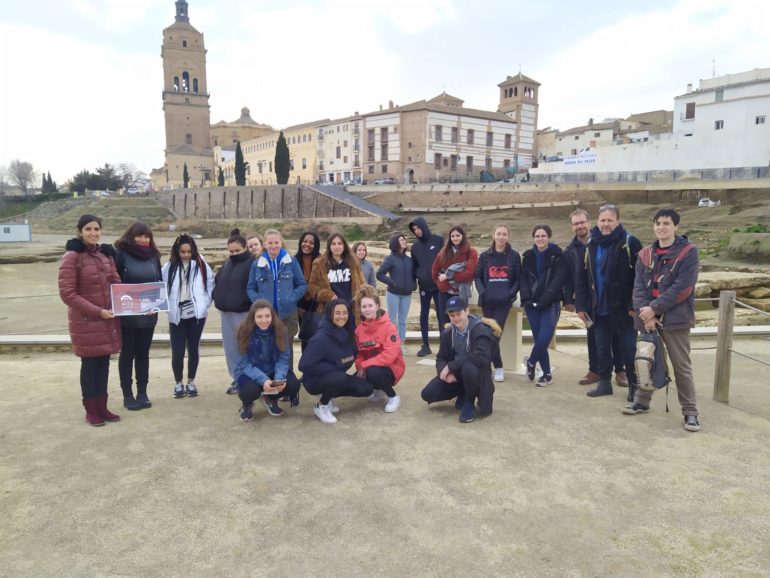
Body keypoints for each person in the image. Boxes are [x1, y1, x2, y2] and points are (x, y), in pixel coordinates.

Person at [625, 208, 701, 432]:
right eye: (658, 223)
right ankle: (642, 401)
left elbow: (683, 288)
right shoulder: (645, 254)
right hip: (648, 320)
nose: (662, 227)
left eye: (666, 223)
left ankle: (690, 412)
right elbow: (638, 287)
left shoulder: (688, 252)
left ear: (676, 226)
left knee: (681, 367)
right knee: (646, 362)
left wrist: (654, 310)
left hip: (676, 320)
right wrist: (645, 314)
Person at [58, 214, 122, 426]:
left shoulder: (106, 256)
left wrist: (126, 302)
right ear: (80, 231)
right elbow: (68, 294)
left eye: (96, 229)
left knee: (103, 363)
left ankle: (102, 407)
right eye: (88, 229)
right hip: (86, 321)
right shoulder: (72, 257)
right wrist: (97, 311)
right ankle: (91, 411)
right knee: (90, 365)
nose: (93, 233)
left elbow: (115, 282)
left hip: (107, 319)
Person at [576, 204, 641, 399]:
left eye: (609, 220)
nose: (605, 224)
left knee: (628, 349)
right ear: (597, 222)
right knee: (602, 347)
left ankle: (633, 385)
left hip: (624, 309)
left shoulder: (630, 243)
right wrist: (581, 305)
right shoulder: (592, 244)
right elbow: (583, 278)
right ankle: (604, 383)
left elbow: (641, 278)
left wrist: (633, 305)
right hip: (599, 308)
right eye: (602, 220)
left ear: (618, 221)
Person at [563, 209, 628, 387]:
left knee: (616, 336)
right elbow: (571, 278)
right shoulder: (570, 250)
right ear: (572, 226)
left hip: (609, 298)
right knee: (592, 336)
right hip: (588, 301)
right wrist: (570, 300)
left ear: (590, 222)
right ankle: (595, 370)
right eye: (576, 223)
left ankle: (620, 371)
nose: (580, 226)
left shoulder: (602, 242)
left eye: (582, 222)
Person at [420, 296, 501, 423]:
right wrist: (445, 372)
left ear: (467, 311)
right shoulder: (448, 333)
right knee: (427, 394)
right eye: (452, 315)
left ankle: (469, 402)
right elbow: (440, 358)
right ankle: (463, 392)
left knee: (469, 368)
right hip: (458, 375)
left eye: (459, 314)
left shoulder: (481, 330)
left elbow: (481, 358)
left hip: (477, 375)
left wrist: (451, 367)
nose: (456, 318)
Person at [299, 299, 374, 424]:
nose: (342, 316)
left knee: (366, 388)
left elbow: (354, 353)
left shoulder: (349, 333)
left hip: (337, 376)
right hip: (314, 380)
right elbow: (304, 365)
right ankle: (321, 405)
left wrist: (361, 367)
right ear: (330, 314)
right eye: (337, 313)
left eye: (345, 313)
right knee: (339, 378)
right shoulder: (320, 338)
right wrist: (334, 368)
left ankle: (330, 394)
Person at [114, 222, 162, 410]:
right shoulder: (120, 254)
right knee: (127, 354)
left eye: (146, 236)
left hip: (148, 314)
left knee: (143, 354)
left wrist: (157, 303)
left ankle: (142, 392)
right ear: (131, 236)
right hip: (127, 314)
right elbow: (114, 282)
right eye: (139, 236)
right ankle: (127, 394)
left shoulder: (154, 257)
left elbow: (159, 282)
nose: (143, 240)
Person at [246, 229, 307, 369]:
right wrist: (258, 302)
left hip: (287, 314)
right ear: (265, 245)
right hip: (265, 317)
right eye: (270, 243)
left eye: (276, 242)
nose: (273, 245)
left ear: (281, 243)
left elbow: (302, 284)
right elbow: (250, 288)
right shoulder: (257, 264)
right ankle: (270, 381)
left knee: (287, 349)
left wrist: (291, 298)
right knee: (267, 348)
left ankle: (288, 381)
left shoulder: (291, 262)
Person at [162, 233, 214, 399]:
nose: (185, 255)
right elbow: (161, 289)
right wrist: (169, 309)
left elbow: (210, 286)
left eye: (188, 251)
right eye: (182, 252)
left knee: (193, 349)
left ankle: (191, 382)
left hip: (196, 315)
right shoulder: (168, 267)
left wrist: (205, 304)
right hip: (176, 315)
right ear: (177, 251)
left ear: (193, 251)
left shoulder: (201, 266)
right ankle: (178, 383)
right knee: (177, 351)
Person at [233, 300, 301, 421]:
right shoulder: (243, 332)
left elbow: (283, 358)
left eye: (267, 316)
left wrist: (279, 378)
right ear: (252, 317)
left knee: (293, 385)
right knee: (249, 392)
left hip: (272, 369)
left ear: (272, 316)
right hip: (250, 373)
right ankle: (247, 404)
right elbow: (243, 363)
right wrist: (263, 380)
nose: (264, 320)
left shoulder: (281, 330)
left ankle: (270, 398)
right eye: (259, 316)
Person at [519, 224, 570, 387]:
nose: (540, 239)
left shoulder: (558, 256)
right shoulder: (527, 256)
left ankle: (531, 362)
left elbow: (558, 280)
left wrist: (545, 300)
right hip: (531, 304)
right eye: (537, 236)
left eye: (543, 236)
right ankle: (547, 374)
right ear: (533, 238)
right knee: (538, 338)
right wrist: (526, 298)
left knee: (543, 339)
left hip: (551, 303)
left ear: (549, 237)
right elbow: (523, 279)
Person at [474, 224, 521, 382]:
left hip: (503, 303)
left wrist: (510, 294)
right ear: (493, 235)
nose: (501, 237)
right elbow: (478, 276)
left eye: (504, 234)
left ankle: (497, 366)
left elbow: (517, 279)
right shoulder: (485, 255)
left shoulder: (514, 256)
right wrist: (483, 292)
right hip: (488, 301)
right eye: (498, 234)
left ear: (508, 236)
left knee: (495, 335)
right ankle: (492, 367)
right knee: (488, 334)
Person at [212, 229, 256, 395]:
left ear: (245, 248)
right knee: (230, 350)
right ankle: (237, 378)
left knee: (243, 348)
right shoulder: (227, 263)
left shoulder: (252, 264)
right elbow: (218, 281)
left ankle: (247, 379)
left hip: (244, 313)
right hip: (225, 313)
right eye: (231, 251)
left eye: (237, 251)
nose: (234, 254)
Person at [354, 287, 404, 413]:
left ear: (377, 306)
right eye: (364, 306)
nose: (367, 309)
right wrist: (359, 367)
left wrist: (364, 366)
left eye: (370, 305)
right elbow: (360, 354)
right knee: (357, 385)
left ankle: (393, 396)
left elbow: (389, 356)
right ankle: (379, 390)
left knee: (373, 372)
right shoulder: (359, 329)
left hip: (392, 368)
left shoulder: (388, 327)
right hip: (371, 368)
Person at [431, 225, 478, 330]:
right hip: (445, 294)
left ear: (463, 236)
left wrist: (447, 277)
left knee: (462, 324)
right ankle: (446, 346)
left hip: (462, 293)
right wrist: (442, 286)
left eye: (458, 235)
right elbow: (434, 274)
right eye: (453, 236)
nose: (455, 238)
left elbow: (470, 273)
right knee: (445, 325)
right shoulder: (443, 253)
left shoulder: (471, 252)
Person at [408, 217, 443, 356]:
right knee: (424, 315)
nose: (417, 231)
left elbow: (445, 260)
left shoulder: (438, 240)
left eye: (418, 228)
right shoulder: (415, 247)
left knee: (441, 315)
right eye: (414, 229)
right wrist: (416, 278)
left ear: (424, 226)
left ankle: (443, 345)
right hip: (424, 286)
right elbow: (414, 266)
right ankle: (426, 345)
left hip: (439, 285)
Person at [308, 232, 365, 314]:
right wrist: (328, 295)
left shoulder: (353, 262)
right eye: (333, 244)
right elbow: (312, 287)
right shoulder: (320, 263)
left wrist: (360, 298)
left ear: (344, 246)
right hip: (330, 309)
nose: (337, 247)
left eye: (339, 243)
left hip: (351, 308)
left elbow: (362, 283)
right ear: (329, 246)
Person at [376, 233, 415, 352]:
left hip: (407, 294)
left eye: (405, 239)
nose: (404, 241)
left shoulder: (409, 260)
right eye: (401, 240)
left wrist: (413, 285)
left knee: (403, 320)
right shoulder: (390, 258)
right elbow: (379, 274)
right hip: (393, 293)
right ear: (395, 243)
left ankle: (401, 345)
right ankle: (391, 344)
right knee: (391, 320)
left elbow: (414, 275)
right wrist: (392, 282)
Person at [295, 231, 321, 346]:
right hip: (300, 305)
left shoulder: (322, 261)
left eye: (311, 243)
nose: (307, 244)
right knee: (305, 337)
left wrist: (320, 306)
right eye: (305, 241)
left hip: (317, 304)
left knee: (318, 339)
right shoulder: (293, 260)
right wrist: (296, 308)